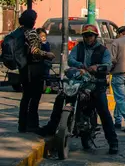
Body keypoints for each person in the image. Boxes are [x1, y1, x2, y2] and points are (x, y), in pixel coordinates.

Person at [42, 24, 118, 154]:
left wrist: (98, 67)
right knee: (60, 99)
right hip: (79, 83)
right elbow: (71, 59)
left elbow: (108, 64)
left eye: (90, 35)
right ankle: (51, 128)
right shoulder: (79, 47)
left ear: (95, 36)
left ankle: (113, 143)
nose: (88, 38)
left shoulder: (103, 50)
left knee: (104, 112)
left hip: (96, 84)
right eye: (85, 35)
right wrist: (80, 66)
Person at [16, 10, 55, 133]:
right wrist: (47, 54)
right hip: (34, 68)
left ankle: (22, 124)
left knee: (26, 97)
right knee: (35, 97)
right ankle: (32, 124)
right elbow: (34, 51)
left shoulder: (19, 32)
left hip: (23, 68)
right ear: (32, 20)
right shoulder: (31, 33)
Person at [37, 28, 53, 94]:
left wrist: (44, 43)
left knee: (46, 74)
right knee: (39, 75)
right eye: (41, 36)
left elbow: (47, 50)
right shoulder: (36, 44)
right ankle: (40, 87)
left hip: (46, 61)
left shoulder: (46, 43)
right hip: (39, 61)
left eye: (44, 36)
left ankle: (48, 86)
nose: (43, 38)